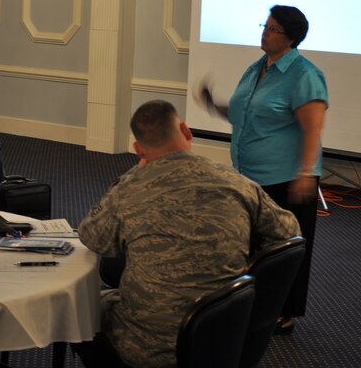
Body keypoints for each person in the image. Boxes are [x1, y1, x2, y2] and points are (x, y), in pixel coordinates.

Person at [77, 100, 300, 368]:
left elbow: (94, 238)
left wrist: (133, 175)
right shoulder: (236, 181)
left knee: (78, 308)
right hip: (224, 335)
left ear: (138, 149)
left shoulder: (129, 188)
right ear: (186, 130)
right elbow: (289, 232)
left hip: (148, 348)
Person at [199, 4, 327, 334]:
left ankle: (283, 312)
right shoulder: (257, 68)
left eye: (272, 29)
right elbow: (245, 112)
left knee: (284, 249)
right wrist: (214, 105)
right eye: (265, 26)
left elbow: (312, 129)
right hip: (248, 175)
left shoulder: (304, 75)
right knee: (253, 243)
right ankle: (251, 305)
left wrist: (305, 174)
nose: (265, 33)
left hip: (286, 178)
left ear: (291, 38)